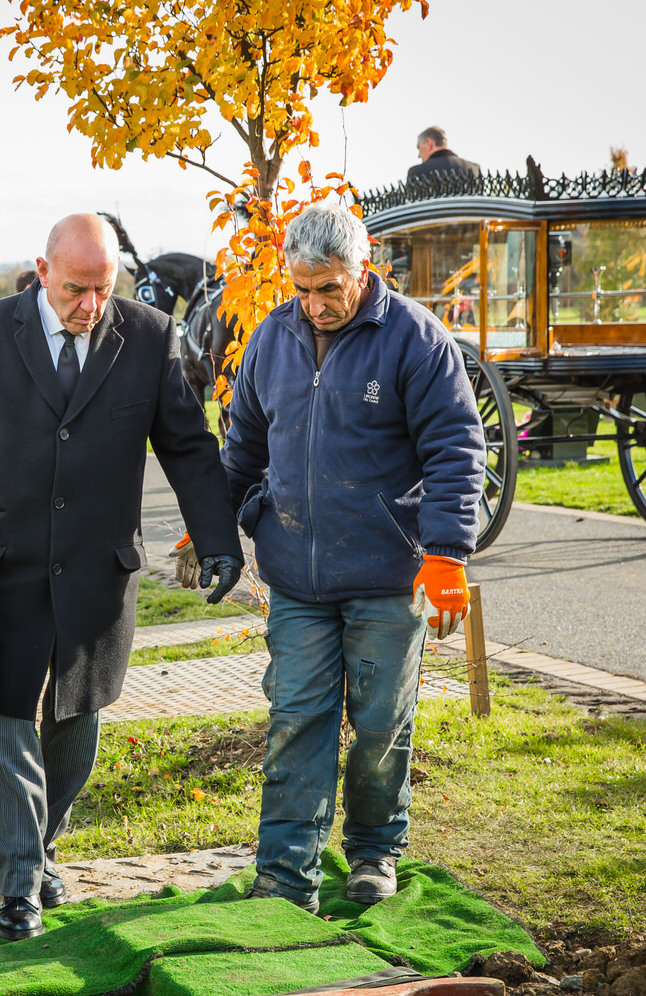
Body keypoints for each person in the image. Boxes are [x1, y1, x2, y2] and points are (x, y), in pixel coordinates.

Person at [0, 213, 242, 941]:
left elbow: (189, 448)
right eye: (75, 289)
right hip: (1, 567)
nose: (90, 306)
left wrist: (219, 540)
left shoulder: (152, 336)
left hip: (98, 571)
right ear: (43, 272)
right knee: (9, 721)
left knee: (76, 723)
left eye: (104, 289)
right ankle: (18, 887)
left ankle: (41, 849)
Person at [217, 200, 485, 913]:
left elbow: (457, 447)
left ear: (365, 268)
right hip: (295, 577)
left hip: (384, 575)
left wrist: (447, 552)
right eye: (300, 290)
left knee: (378, 724)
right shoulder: (272, 340)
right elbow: (243, 447)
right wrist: (209, 524)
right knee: (296, 717)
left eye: (328, 288)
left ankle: (373, 852)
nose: (314, 305)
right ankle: (284, 873)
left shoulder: (415, 340)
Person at [406, 126, 481, 183]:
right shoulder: (474, 168)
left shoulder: (417, 172)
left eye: (419, 148)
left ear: (429, 143)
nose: (419, 155)